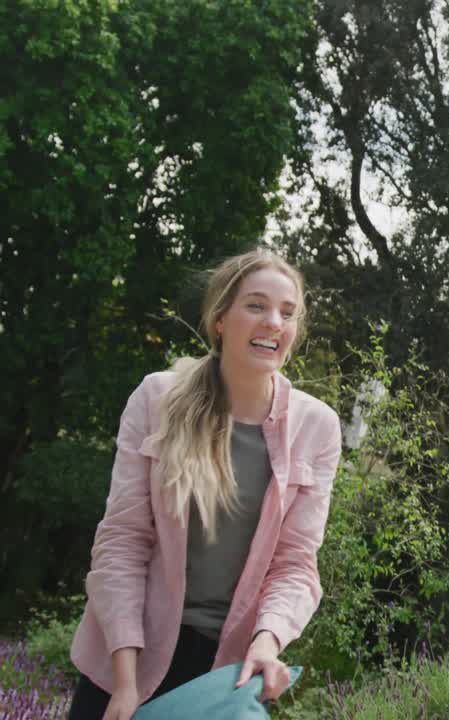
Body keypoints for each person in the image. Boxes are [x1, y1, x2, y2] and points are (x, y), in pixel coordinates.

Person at [67, 248, 343, 720]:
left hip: (222, 677)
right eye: (256, 305)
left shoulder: (317, 428)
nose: (273, 322)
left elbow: (295, 564)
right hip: (125, 660)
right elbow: (123, 544)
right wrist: (126, 684)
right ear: (220, 319)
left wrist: (267, 639)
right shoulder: (156, 399)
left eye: (287, 312)